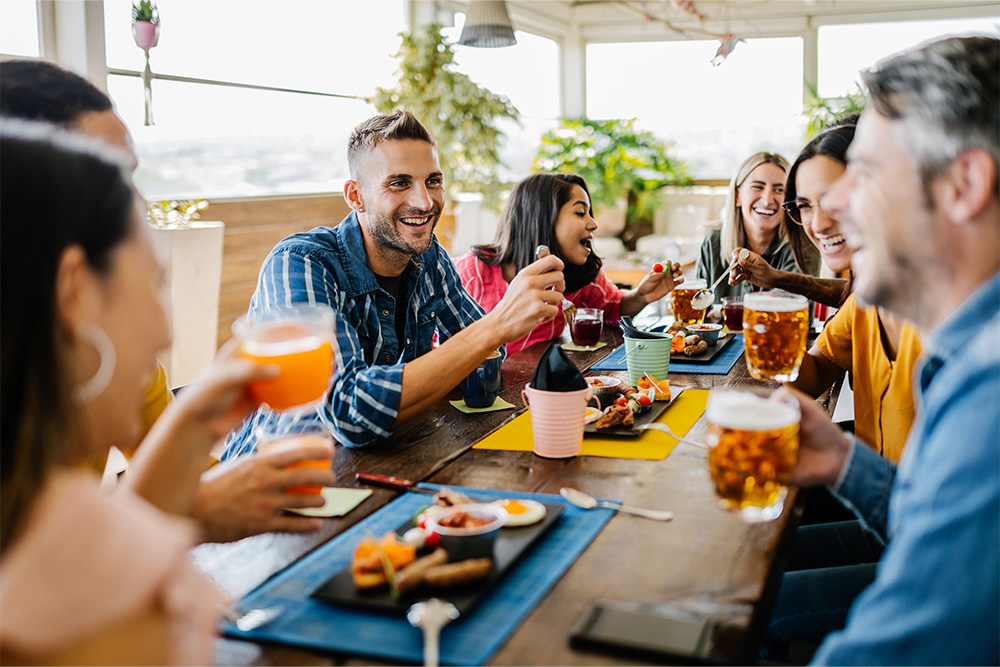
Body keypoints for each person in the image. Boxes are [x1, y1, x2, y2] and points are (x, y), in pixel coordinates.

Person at [0, 59, 336, 542]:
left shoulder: (112, 360)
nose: (135, 203)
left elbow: (186, 482)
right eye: (112, 178)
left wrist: (196, 424)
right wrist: (191, 515)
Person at [0, 123, 277, 663]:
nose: (165, 332)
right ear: (73, 292)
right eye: (153, 285)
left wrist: (193, 422)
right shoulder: (99, 619)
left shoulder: (41, 517)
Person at [764, 35, 999, 664]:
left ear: (962, 184)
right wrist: (842, 458)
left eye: (863, 172)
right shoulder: (969, 351)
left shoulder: (990, 390)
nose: (830, 210)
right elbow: (936, 523)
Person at [223, 110, 564, 454]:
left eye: (433, 181)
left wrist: (497, 329)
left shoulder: (428, 257)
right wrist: (496, 324)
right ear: (355, 196)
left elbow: (485, 357)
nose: (425, 201)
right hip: (270, 482)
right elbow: (349, 413)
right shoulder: (301, 264)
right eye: (399, 183)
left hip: (385, 461)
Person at [455, 172, 682, 353]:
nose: (593, 224)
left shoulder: (577, 275)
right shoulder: (470, 273)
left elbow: (610, 308)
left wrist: (641, 296)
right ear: (542, 218)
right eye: (580, 213)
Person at [695, 151, 799, 304]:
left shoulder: (800, 244)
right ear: (737, 196)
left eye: (779, 190)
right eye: (757, 187)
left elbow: (789, 307)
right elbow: (700, 308)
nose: (767, 200)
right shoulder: (714, 241)